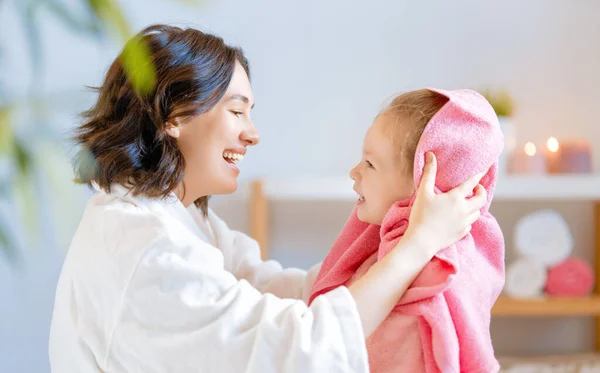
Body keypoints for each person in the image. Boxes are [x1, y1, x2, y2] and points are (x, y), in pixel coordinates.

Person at [48, 24, 487, 373]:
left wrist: (383, 253)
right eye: (237, 111)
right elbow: (300, 351)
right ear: (174, 117)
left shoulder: (180, 219)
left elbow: (279, 292)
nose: (252, 133)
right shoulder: (146, 249)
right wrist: (415, 247)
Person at [308, 88, 504, 372]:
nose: (354, 171)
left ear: (422, 184)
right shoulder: (393, 256)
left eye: (370, 163)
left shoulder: (430, 290)